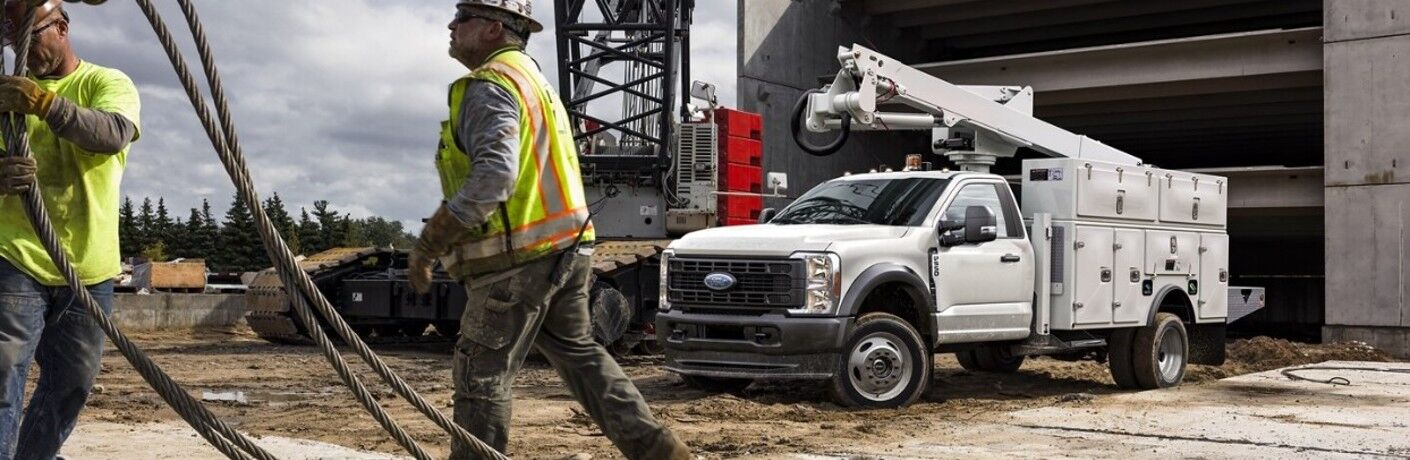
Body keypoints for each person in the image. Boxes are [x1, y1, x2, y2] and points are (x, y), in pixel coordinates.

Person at [408, 1, 690, 458]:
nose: (451, 25)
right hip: (567, 245)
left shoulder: (489, 85)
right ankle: (659, 451)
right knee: (582, 357)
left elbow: (493, 178)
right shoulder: (535, 82)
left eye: (462, 18)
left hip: (518, 257)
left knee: (482, 373)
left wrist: (429, 243)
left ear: (494, 28)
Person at [0, 0, 141, 458]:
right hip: (17, 257)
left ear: (61, 27)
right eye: (11, 43)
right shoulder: (6, 100)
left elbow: (111, 133)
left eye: (30, 37)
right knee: (3, 374)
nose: (21, 53)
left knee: (70, 387)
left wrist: (44, 104)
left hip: (88, 270)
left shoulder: (106, 82)